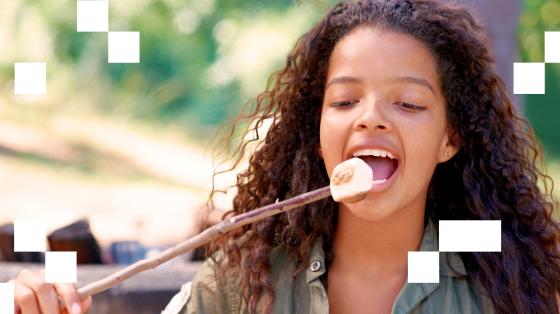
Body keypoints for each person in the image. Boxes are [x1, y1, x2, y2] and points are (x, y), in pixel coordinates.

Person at [11, 0, 560, 313]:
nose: (370, 117)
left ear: (451, 139)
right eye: (344, 100)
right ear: (316, 129)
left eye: (409, 103)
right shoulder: (244, 286)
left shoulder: (504, 287)